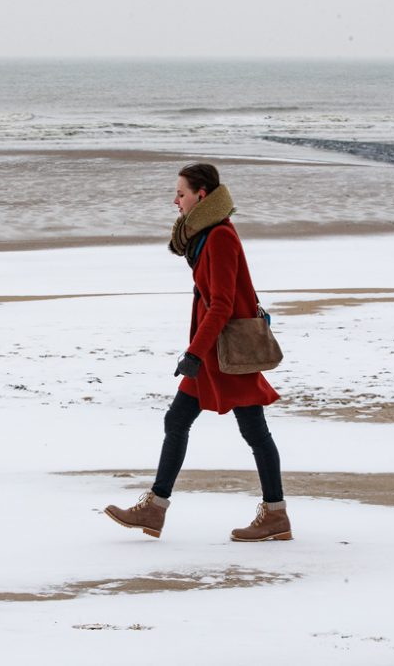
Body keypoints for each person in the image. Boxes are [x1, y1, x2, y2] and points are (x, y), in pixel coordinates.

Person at [104, 163, 291, 542]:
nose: (176, 200)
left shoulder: (220, 236)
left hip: (225, 353)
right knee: (180, 422)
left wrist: (194, 352)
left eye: (181, 193)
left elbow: (221, 303)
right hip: (213, 353)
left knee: (253, 431)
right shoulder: (205, 234)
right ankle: (155, 508)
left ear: (201, 194)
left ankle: (275, 515)